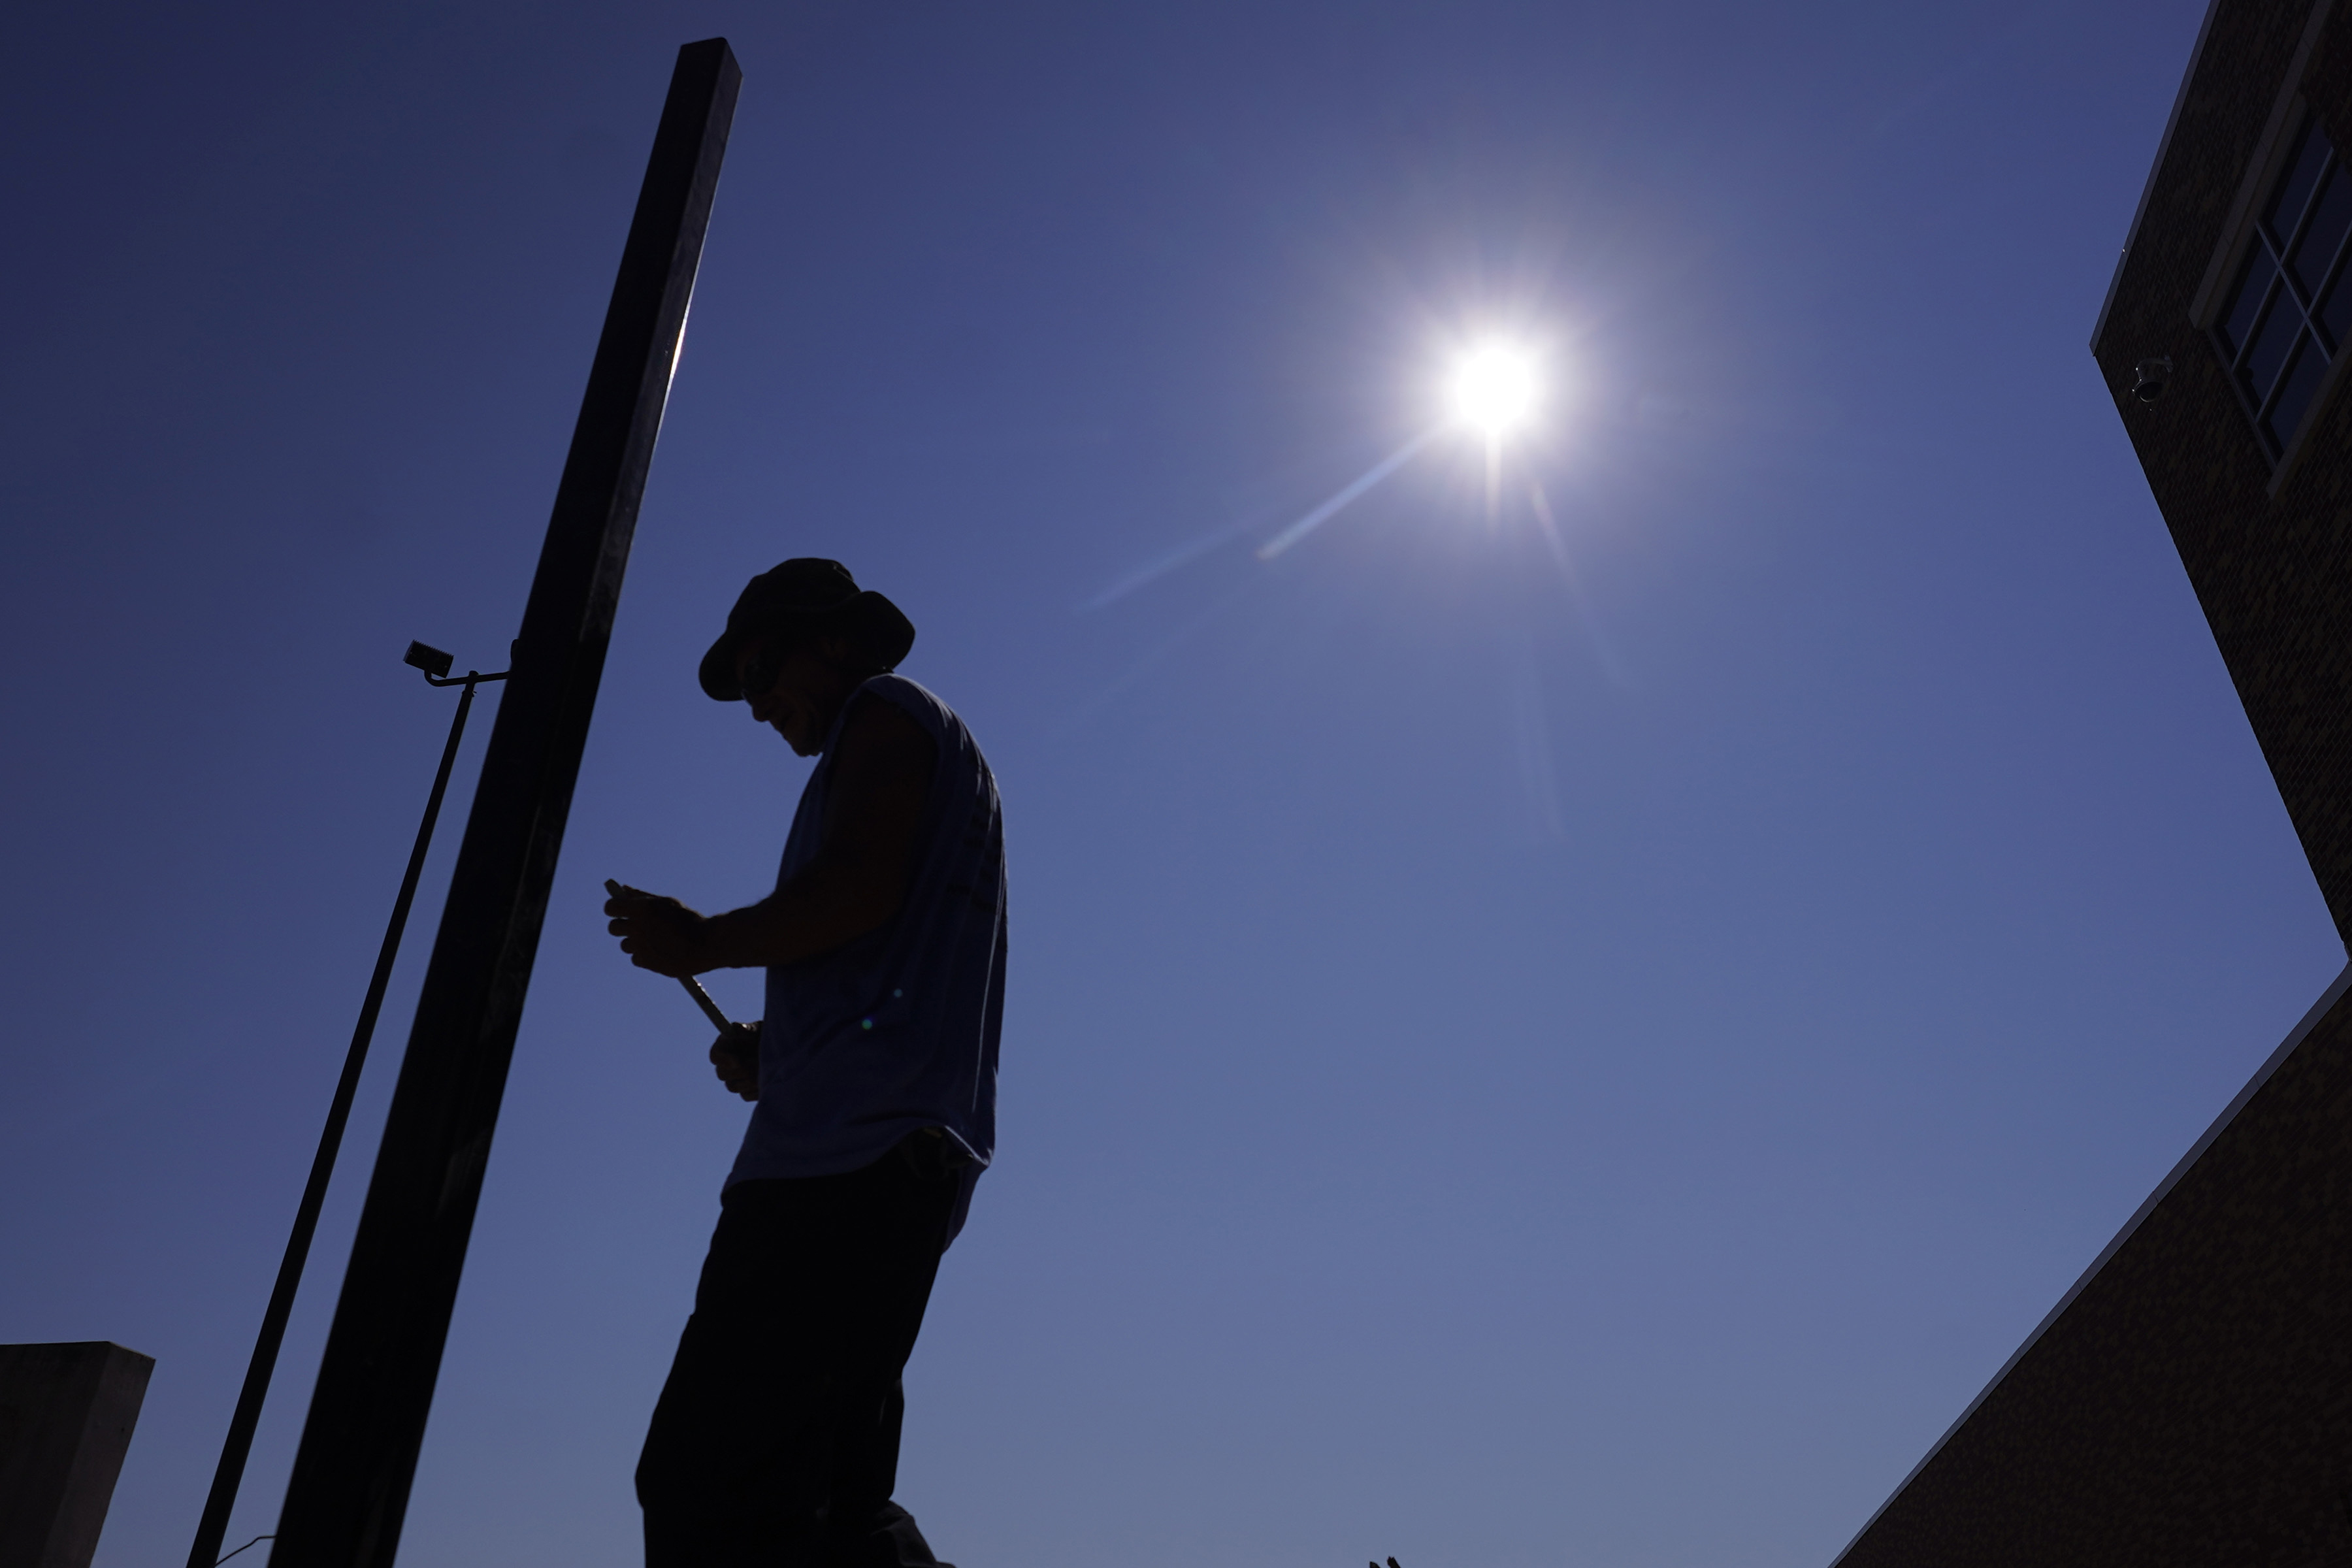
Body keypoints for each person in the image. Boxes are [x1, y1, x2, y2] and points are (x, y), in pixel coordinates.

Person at [605, 557, 1005, 1568]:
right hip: (884, 1162)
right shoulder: (905, 738)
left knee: (710, 1485)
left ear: (830, 640)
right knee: (828, 1503)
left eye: (757, 673)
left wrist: (702, 941)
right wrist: (776, 1055)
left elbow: (857, 888)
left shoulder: (889, 712)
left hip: (838, 1175)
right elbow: (883, 951)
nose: (754, 708)